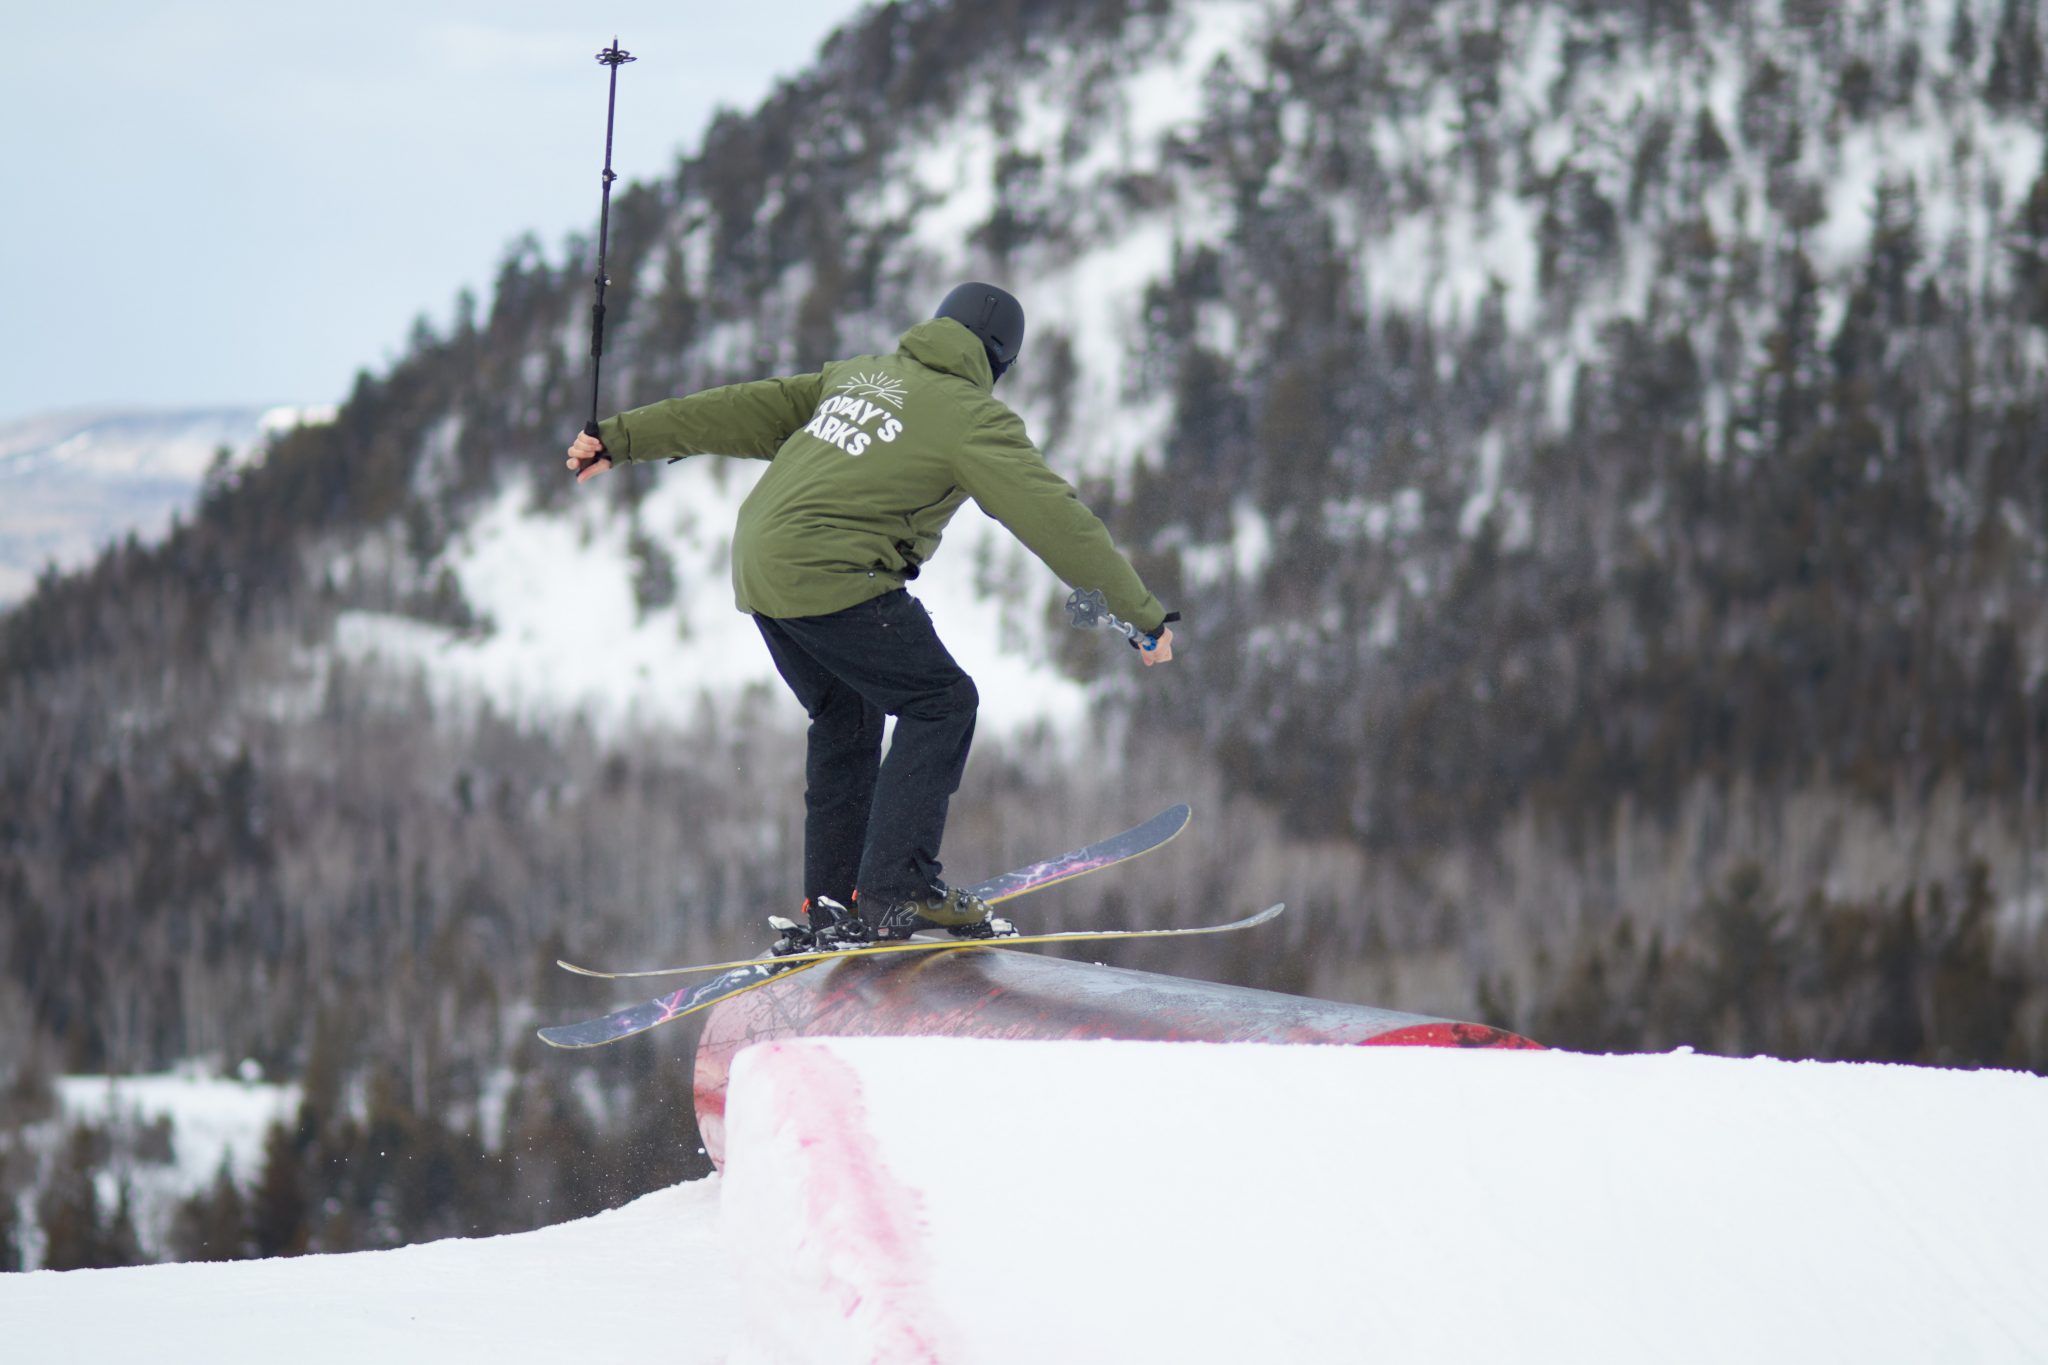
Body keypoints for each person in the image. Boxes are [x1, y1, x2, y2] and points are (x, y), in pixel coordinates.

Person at [564, 283, 1174, 950]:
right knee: (943, 701)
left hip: (761, 562)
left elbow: (737, 410)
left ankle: (833, 903)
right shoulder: (974, 419)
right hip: (832, 573)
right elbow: (1057, 520)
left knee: (847, 716)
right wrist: (1140, 616)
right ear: (999, 364)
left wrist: (618, 439)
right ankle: (898, 889)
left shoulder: (859, 376)